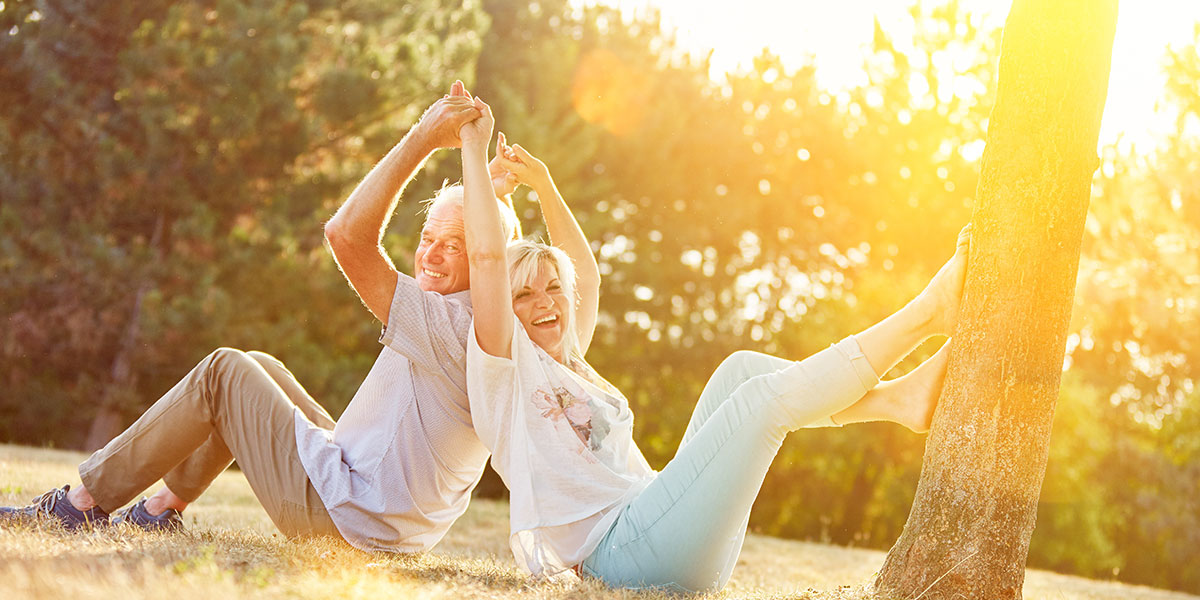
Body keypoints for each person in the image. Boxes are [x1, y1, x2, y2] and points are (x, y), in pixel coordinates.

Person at [457, 97, 970, 592]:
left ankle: (896, 401)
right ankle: (925, 316)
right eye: (522, 295)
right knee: (759, 402)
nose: (545, 302)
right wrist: (473, 155)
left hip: (667, 529)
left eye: (551, 288)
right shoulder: (504, 367)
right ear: (503, 309)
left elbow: (585, 278)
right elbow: (485, 260)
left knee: (741, 372)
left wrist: (544, 183)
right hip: (623, 557)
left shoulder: (569, 361)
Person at [0, 81, 522, 555]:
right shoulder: (488, 326)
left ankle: (80, 506)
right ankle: (160, 511)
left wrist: (422, 139)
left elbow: (344, 235)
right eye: (427, 237)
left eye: (453, 245)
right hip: (382, 517)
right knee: (259, 368)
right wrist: (482, 189)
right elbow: (494, 257)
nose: (430, 254)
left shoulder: (447, 324)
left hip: (350, 522)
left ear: (481, 256)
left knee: (224, 372)